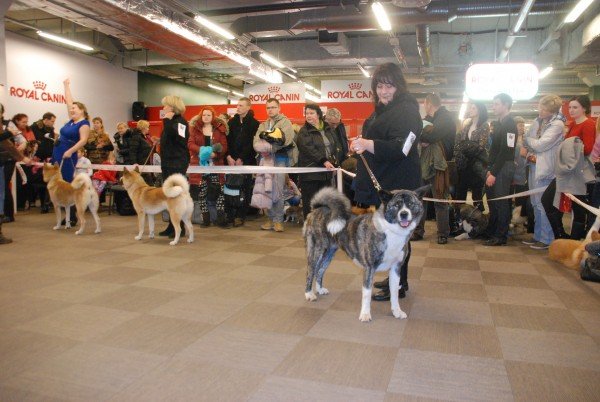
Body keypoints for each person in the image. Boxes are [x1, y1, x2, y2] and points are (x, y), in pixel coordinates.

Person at [349, 62, 422, 302]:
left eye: (389, 86)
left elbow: (402, 147)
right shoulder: (383, 109)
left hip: (400, 184)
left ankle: (399, 284)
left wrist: (368, 144)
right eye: (379, 86)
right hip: (385, 183)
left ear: (398, 86)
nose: (383, 91)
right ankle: (395, 278)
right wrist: (362, 142)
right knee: (389, 235)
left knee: (399, 237)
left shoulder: (407, 110)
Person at [542, 95, 596, 239]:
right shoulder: (572, 124)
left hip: (578, 172)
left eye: (575, 107)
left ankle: (573, 241)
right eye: (570, 107)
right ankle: (561, 236)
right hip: (566, 171)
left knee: (578, 208)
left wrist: (568, 150)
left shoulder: (588, 124)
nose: (571, 110)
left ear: (584, 108)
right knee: (548, 200)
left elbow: (588, 149)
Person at [521, 95, 564, 250]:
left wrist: (529, 141)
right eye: (540, 107)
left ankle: (547, 239)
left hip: (546, 170)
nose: (540, 111)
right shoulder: (538, 121)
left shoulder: (557, 125)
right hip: (533, 165)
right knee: (534, 203)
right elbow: (529, 141)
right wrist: (530, 142)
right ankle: (538, 235)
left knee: (543, 204)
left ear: (552, 110)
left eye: (544, 109)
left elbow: (539, 144)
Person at [414, 93, 456, 244]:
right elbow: (419, 134)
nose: (424, 107)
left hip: (439, 165)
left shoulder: (445, 117)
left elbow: (431, 136)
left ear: (428, 104)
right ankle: (418, 231)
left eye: (425, 104)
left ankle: (443, 233)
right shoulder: (429, 119)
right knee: (420, 199)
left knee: (440, 200)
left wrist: (425, 138)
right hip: (424, 164)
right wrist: (424, 138)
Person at [252, 98, 295, 232]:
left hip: (280, 159)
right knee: (267, 190)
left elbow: (286, 140)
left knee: (278, 190)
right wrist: (265, 146)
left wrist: (269, 147)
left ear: (279, 108)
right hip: (265, 160)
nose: (270, 110)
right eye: (268, 107)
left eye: (273, 107)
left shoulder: (285, 122)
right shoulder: (263, 124)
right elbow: (256, 142)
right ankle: (270, 219)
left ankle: (278, 220)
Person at [296, 103, 341, 218]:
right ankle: (309, 225)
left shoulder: (328, 128)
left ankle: (322, 225)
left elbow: (334, 146)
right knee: (310, 203)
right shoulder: (304, 131)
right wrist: (324, 161)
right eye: (306, 113)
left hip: (326, 173)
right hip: (310, 174)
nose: (308, 116)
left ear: (319, 115)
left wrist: (335, 164)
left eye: (311, 113)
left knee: (325, 203)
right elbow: (308, 149)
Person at [484, 93, 517, 246]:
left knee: (501, 202)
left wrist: (494, 172)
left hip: (503, 167)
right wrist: (490, 168)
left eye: (496, 104)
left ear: (506, 105)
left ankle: (501, 236)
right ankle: (494, 232)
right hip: (497, 166)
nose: (493, 106)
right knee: (495, 202)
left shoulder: (510, 124)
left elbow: (506, 151)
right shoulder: (500, 123)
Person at [188, 106, 229, 227]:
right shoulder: (195, 129)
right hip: (200, 167)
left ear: (213, 117)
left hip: (216, 165)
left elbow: (224, 146)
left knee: (220, 192)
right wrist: (201, 150)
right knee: (202, 194)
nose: (206, 117)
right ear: (201, 116)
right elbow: (190, 144)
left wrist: (215, 154)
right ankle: (205, 220)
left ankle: (221, 219)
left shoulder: (219, 129)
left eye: (208, 115)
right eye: (204, 115)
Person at [158, 95, 190, 238]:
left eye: (165, 105)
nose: (163, 108)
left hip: (177, 162)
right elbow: (170, 139)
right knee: (169, 195)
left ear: (172, 107)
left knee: (176, 196)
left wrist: (167, 121)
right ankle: (172, 226)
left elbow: (180, 140)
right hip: (167, 162)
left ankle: (179, 227)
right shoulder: (171, 122)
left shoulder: (180, 122)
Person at [453, 102, 490, 224]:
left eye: (473, 108)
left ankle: (478, 223)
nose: (470, 109)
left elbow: (480, 146)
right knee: (460, 194)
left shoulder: (484, 126)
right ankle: (458, 221)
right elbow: (459, 144)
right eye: (470, 107)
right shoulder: (467, 125)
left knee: (477, 196)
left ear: (480, 110)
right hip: (464, 165)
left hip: (476, 165)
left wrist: (465, 146)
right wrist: (467, 146)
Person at [226, 97, 260, 226]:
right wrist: (229, 156)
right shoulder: (231, 122)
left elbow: (252, 144)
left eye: (241, 105)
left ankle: (241, 216)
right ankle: (230, 214)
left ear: (248, 107)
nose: (238, 107)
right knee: (230, 187)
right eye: (237, 105)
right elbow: (227, 141)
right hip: (231, 161)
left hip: (247, 161)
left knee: (245, 188)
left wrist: (241, 158)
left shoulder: (255, 124)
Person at [0, 103, 31, 242]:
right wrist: (22, 157)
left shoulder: (7, 124)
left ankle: (8, 215)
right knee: (1, 193)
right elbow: (5, 142)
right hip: (3, 160)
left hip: (6, 160)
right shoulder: (6, 126)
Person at [51, 79, 91, 183]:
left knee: (65, 179)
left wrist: (70, 151)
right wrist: (66, 85)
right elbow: (69, 102)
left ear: (82, 110)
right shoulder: (71, 121)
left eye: (74, 108)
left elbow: (83, 140)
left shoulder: (84, 123)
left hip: (68, 151)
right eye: (71, 108)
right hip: (58, 150)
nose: (71, 110)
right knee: (55, 179)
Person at [30, 112, 56, 213]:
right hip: (36, 159)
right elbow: (32, 143)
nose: (53, 123)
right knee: (39, 182)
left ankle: (45, 204)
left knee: (46, 182)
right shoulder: (34, 128)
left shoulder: (51, 129)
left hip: (47, 159)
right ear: (46, 120)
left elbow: (51, 143)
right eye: (52, 121)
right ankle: (37, 202)